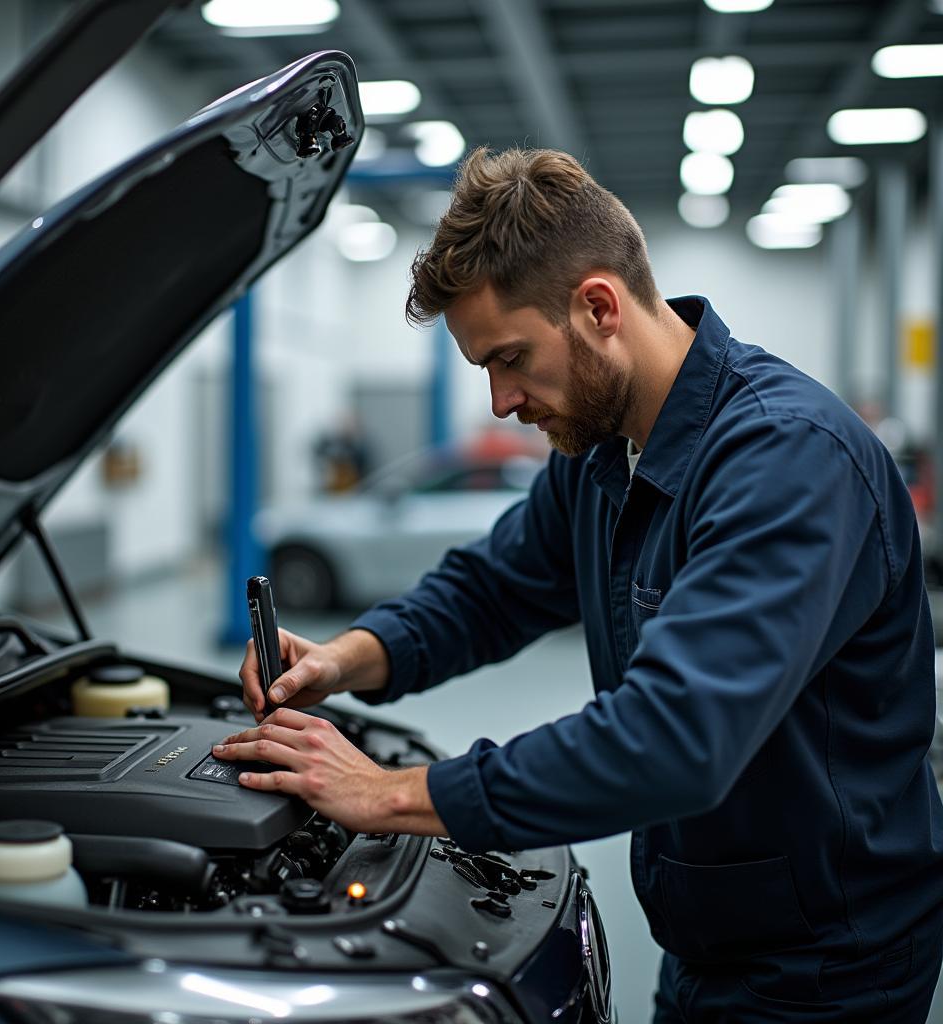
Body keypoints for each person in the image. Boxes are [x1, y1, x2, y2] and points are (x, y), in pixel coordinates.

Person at [212, 148, 943, 1021]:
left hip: (828, 969)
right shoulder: (603, 454)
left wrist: (388, 794)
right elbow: (491, 589)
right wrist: (342, 659)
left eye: (511, 358)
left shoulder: (787, 461)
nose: (500, 400)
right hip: (712, 937)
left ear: (599, 306)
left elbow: (673, 737)